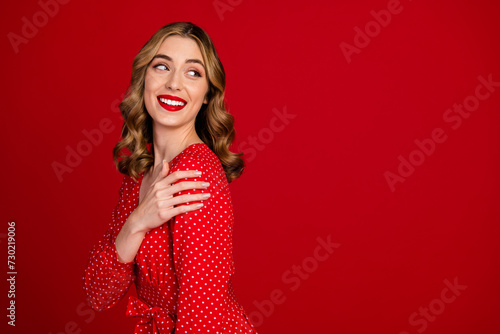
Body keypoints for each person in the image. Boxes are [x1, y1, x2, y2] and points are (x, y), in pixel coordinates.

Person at [83, 22, 258, 334]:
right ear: (144, 78)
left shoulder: (195, 172)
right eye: (162, 66)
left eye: (193, 72)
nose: (174, 84)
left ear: (207, 95)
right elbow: (99, 294)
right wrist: (137, 221)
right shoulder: (141, 175)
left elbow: (202, 320)